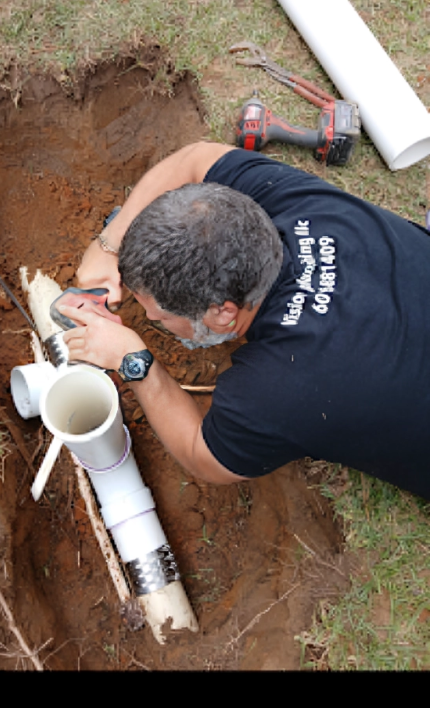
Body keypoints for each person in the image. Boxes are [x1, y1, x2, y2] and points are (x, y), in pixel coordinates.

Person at [55, 140, 430, 501]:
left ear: (223, 313)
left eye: (160, 316)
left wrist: (132, 359)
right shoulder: (305, 206)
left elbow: (201, 455)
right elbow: (196, 157)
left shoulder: (281, 385)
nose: (150, 317)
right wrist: (108, 246)